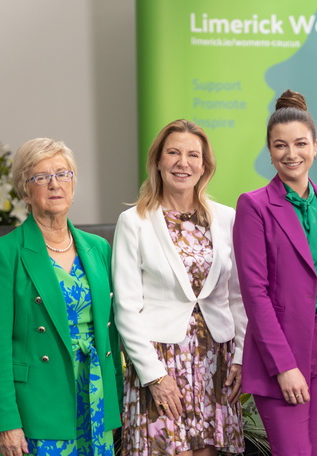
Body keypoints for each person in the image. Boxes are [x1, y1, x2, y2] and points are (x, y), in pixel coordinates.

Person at [0, 138, 123, 456]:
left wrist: (115, 404)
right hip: (35, 408)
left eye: (63, 174)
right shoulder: (3, 253)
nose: (55, 184)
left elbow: (111, 334)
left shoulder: (98, 248)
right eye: (42, 177)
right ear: (25, 190)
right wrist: (5, 421)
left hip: (94, 398)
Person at [112, 119, 247, 456]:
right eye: (173, 153)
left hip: (215, 361)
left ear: (205, 166)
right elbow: (126, 307)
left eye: (192, 155)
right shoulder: (134, 221)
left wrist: (241, 358)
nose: (182, 163)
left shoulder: (226, 218)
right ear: (158, 161)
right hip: (160, 362)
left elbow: (237, 297)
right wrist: (154, 376)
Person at [233, 89, 317, 456]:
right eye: (280, 145)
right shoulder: (254, 205)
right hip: (283, 346)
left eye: (300, 143)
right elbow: (255, 293)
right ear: (269, 152)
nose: (291, 154)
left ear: (315, 146)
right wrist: (283, 366)